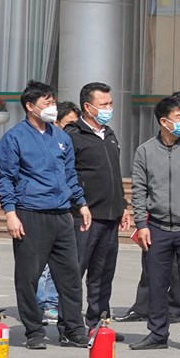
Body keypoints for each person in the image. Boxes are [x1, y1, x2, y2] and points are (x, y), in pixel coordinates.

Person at [0, 80, 92, 351]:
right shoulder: (14, 138)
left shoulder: (60, 136)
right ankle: (34, 330)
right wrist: (11, 214)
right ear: (30, 106)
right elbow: (6, 179)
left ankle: (72, 329)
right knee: (28, 276)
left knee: (70, 276)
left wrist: (81, 204)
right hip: (30, 213)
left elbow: (70, 174)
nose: (52, 107)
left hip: (61, 214)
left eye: (53, 101)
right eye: (46, 103)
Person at [130, 96, 180, 352]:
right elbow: (139, 190)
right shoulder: (145, 150)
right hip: (156, 228)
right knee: (156, 282)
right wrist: (141, 223)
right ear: (164, 121)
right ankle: (157, 333)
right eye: (179, 117)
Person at [66, 82, 128, 328]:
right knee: (75, 272)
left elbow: (114, 175)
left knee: (103, 275)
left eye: (110, 103)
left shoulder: (110, 134)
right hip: (85, 216)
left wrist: (122, 206)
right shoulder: (74, 135)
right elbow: (68, 175)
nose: (109, 108)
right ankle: (70, 326)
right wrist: (79, 204)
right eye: (104, 104)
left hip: (110, 216)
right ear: (87, 107)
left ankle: (98, 324)